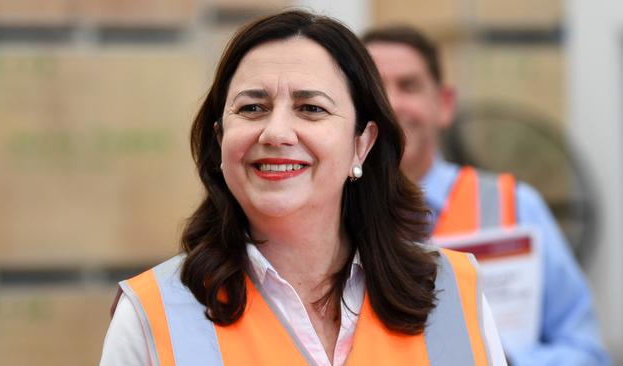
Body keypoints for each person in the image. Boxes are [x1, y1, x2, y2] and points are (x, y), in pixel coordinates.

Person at [100, 10, 506, 366]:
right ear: (221, 140)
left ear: (361, 144)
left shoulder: (453, 292)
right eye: (251, 108)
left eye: (311, 108)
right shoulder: (152, 315)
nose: (276, 132)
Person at [363, 25, 611, 365]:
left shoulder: (516, 206)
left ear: (444, 104)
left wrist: (504, 361)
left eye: (409, 85)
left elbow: (586, 352)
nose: (391, 103)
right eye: (376, 89)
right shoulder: (328, 216)